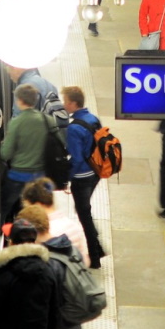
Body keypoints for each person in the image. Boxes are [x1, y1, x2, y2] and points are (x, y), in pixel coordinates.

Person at [62, 86, 106, 268]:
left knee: (83, 214)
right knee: (84, 209)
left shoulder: (73, 129)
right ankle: (98, 249)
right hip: (95, 173)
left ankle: (95, 258)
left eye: (65, 101)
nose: (63, 104)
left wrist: (67, 179)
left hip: (82, 177)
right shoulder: (93, 119)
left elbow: (77, 158)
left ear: (73, 103)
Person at [0, 84, 49, 223]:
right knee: (35, 211)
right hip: (40, 177)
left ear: (20, 100)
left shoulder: (17, 122)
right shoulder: (47, 120)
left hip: (18, 176)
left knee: (3, 207)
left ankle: (3, 233)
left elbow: (6, 153)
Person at [20, 178, 88, 264]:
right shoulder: (73, 226)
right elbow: (85, 261)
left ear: (37, 205)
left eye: (28, 207)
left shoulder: (42, 233)